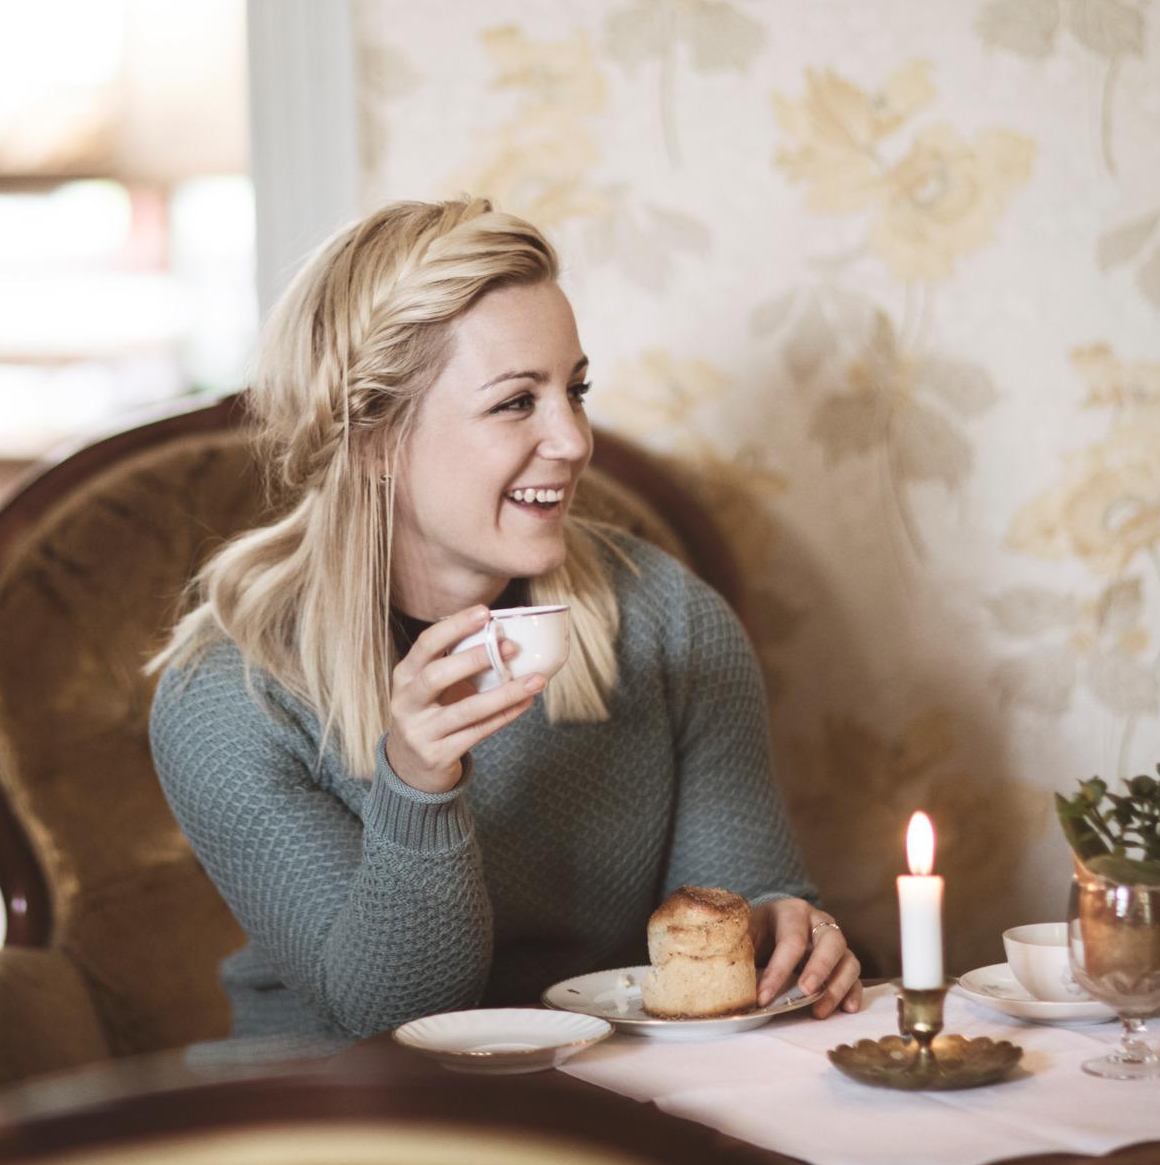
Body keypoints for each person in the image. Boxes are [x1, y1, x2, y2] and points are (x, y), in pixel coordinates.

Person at [148, 198, 858, 1052]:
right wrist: (416, 787)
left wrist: (780, 932)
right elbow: (391, 1020)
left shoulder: (670, 624)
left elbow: (730, 938)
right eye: (518, 401)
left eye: (576, 390)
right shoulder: (230, 693)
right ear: (374, 437)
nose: (573, 439)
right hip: (333, 1125)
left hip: (611, 1103)